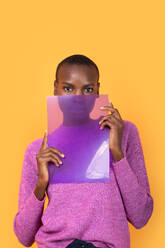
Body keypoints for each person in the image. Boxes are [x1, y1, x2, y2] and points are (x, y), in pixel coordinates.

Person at [13, 54, 154, 248]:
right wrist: (41, 184)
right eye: (68, 88)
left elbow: (141, 217)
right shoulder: (38, 151)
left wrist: (117, 153)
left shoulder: (124, 133)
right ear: (55, 88)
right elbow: (23, 236)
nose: (78, 98)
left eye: (88, 89)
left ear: (97, 90)